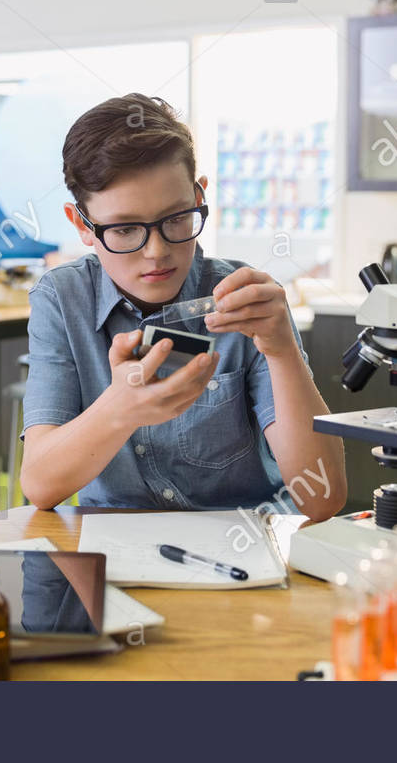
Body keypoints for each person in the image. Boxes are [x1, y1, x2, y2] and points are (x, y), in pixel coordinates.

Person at [19, 93, 345, 519]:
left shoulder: (244, 301)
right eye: (125, 229)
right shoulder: (62, 300)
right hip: (117, 553)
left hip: (244, 547)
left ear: (198, 195)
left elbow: (322, 498)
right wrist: (120, 408)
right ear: (82, 224)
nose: (156, 251)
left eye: (177, 218)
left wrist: (283, 352)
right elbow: (41, 487)